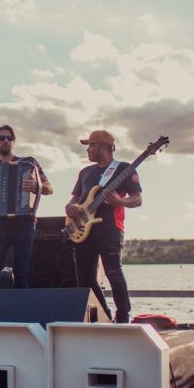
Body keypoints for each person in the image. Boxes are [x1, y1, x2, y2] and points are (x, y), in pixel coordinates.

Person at [65, 130, 142, 323]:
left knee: (113, 272)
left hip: (110, 228)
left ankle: (123, 317)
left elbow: (137, 199)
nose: (88, 150)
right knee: (85, 278)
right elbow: (74, 200)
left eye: (91, 146)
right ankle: (105, 315)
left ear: (104, 147)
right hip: (83, 230)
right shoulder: (85, 172)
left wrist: (119, 201)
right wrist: (69, 207)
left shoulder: (123, 169)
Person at [0, 125, 53, 289]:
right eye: (1, 138)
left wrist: (36, 186)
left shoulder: (29, 163)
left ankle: (21, 305)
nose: (6, 141)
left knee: (22, 271)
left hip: (24, 223)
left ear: (13, 142)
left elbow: (49, 188)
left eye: (9, 138)